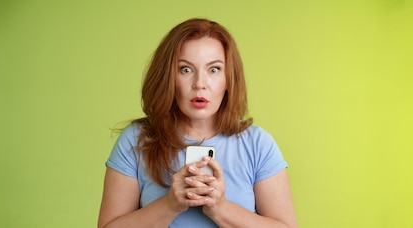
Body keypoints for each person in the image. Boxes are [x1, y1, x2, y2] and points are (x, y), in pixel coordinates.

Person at [97, 18, 297, 228]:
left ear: (229, 78)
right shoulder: (136, 140)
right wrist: (171, 203)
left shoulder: (258, 144)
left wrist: (220, 208)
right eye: (185, 69)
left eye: (214, 69)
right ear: (168, 77)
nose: (200, 84)